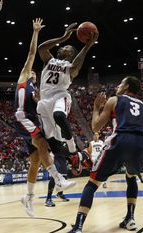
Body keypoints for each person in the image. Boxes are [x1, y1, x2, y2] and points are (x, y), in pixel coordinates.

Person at [69, 77, 143, 233]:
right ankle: (130, 219)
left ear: (126, 87)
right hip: (139, 144)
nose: (118, 85)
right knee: (131, 178)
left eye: (121, 83)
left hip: (120, 140)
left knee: (92, 184)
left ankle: (78, 227)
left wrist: (96, 107)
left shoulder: (114, 100)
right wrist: (136, 134)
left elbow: (96, 126)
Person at [14, 18, 75, 217]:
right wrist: (36, 32)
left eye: (33, 71)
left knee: (35, 161)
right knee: (41, 142)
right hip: (23, 117)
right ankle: (58, 179)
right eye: (31, 69)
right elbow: (33, 52)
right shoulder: (24, 77)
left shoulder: (38, 89)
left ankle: (28, 197)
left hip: (32, 117)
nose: (32, 71)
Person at [37, 22, 98, 173]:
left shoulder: (70, 68)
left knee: (59, 114)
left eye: (68, 48)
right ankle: (78, 155)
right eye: (64, 46)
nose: (64, 47)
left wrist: (87, 46)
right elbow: (41, 48)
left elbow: (77, 65)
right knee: (55, 148)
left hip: (60, 96)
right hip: (44, 102)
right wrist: (63, 37)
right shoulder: (49, 60)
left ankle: (72, 149)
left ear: (72, 55)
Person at [45, 139, 71, 207]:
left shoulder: (65, 137)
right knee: (54, 177)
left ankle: (60, 193)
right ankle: (48, 198)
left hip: (63, 158)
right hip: (55, 157)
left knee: (64, 177)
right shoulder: (54, 134)